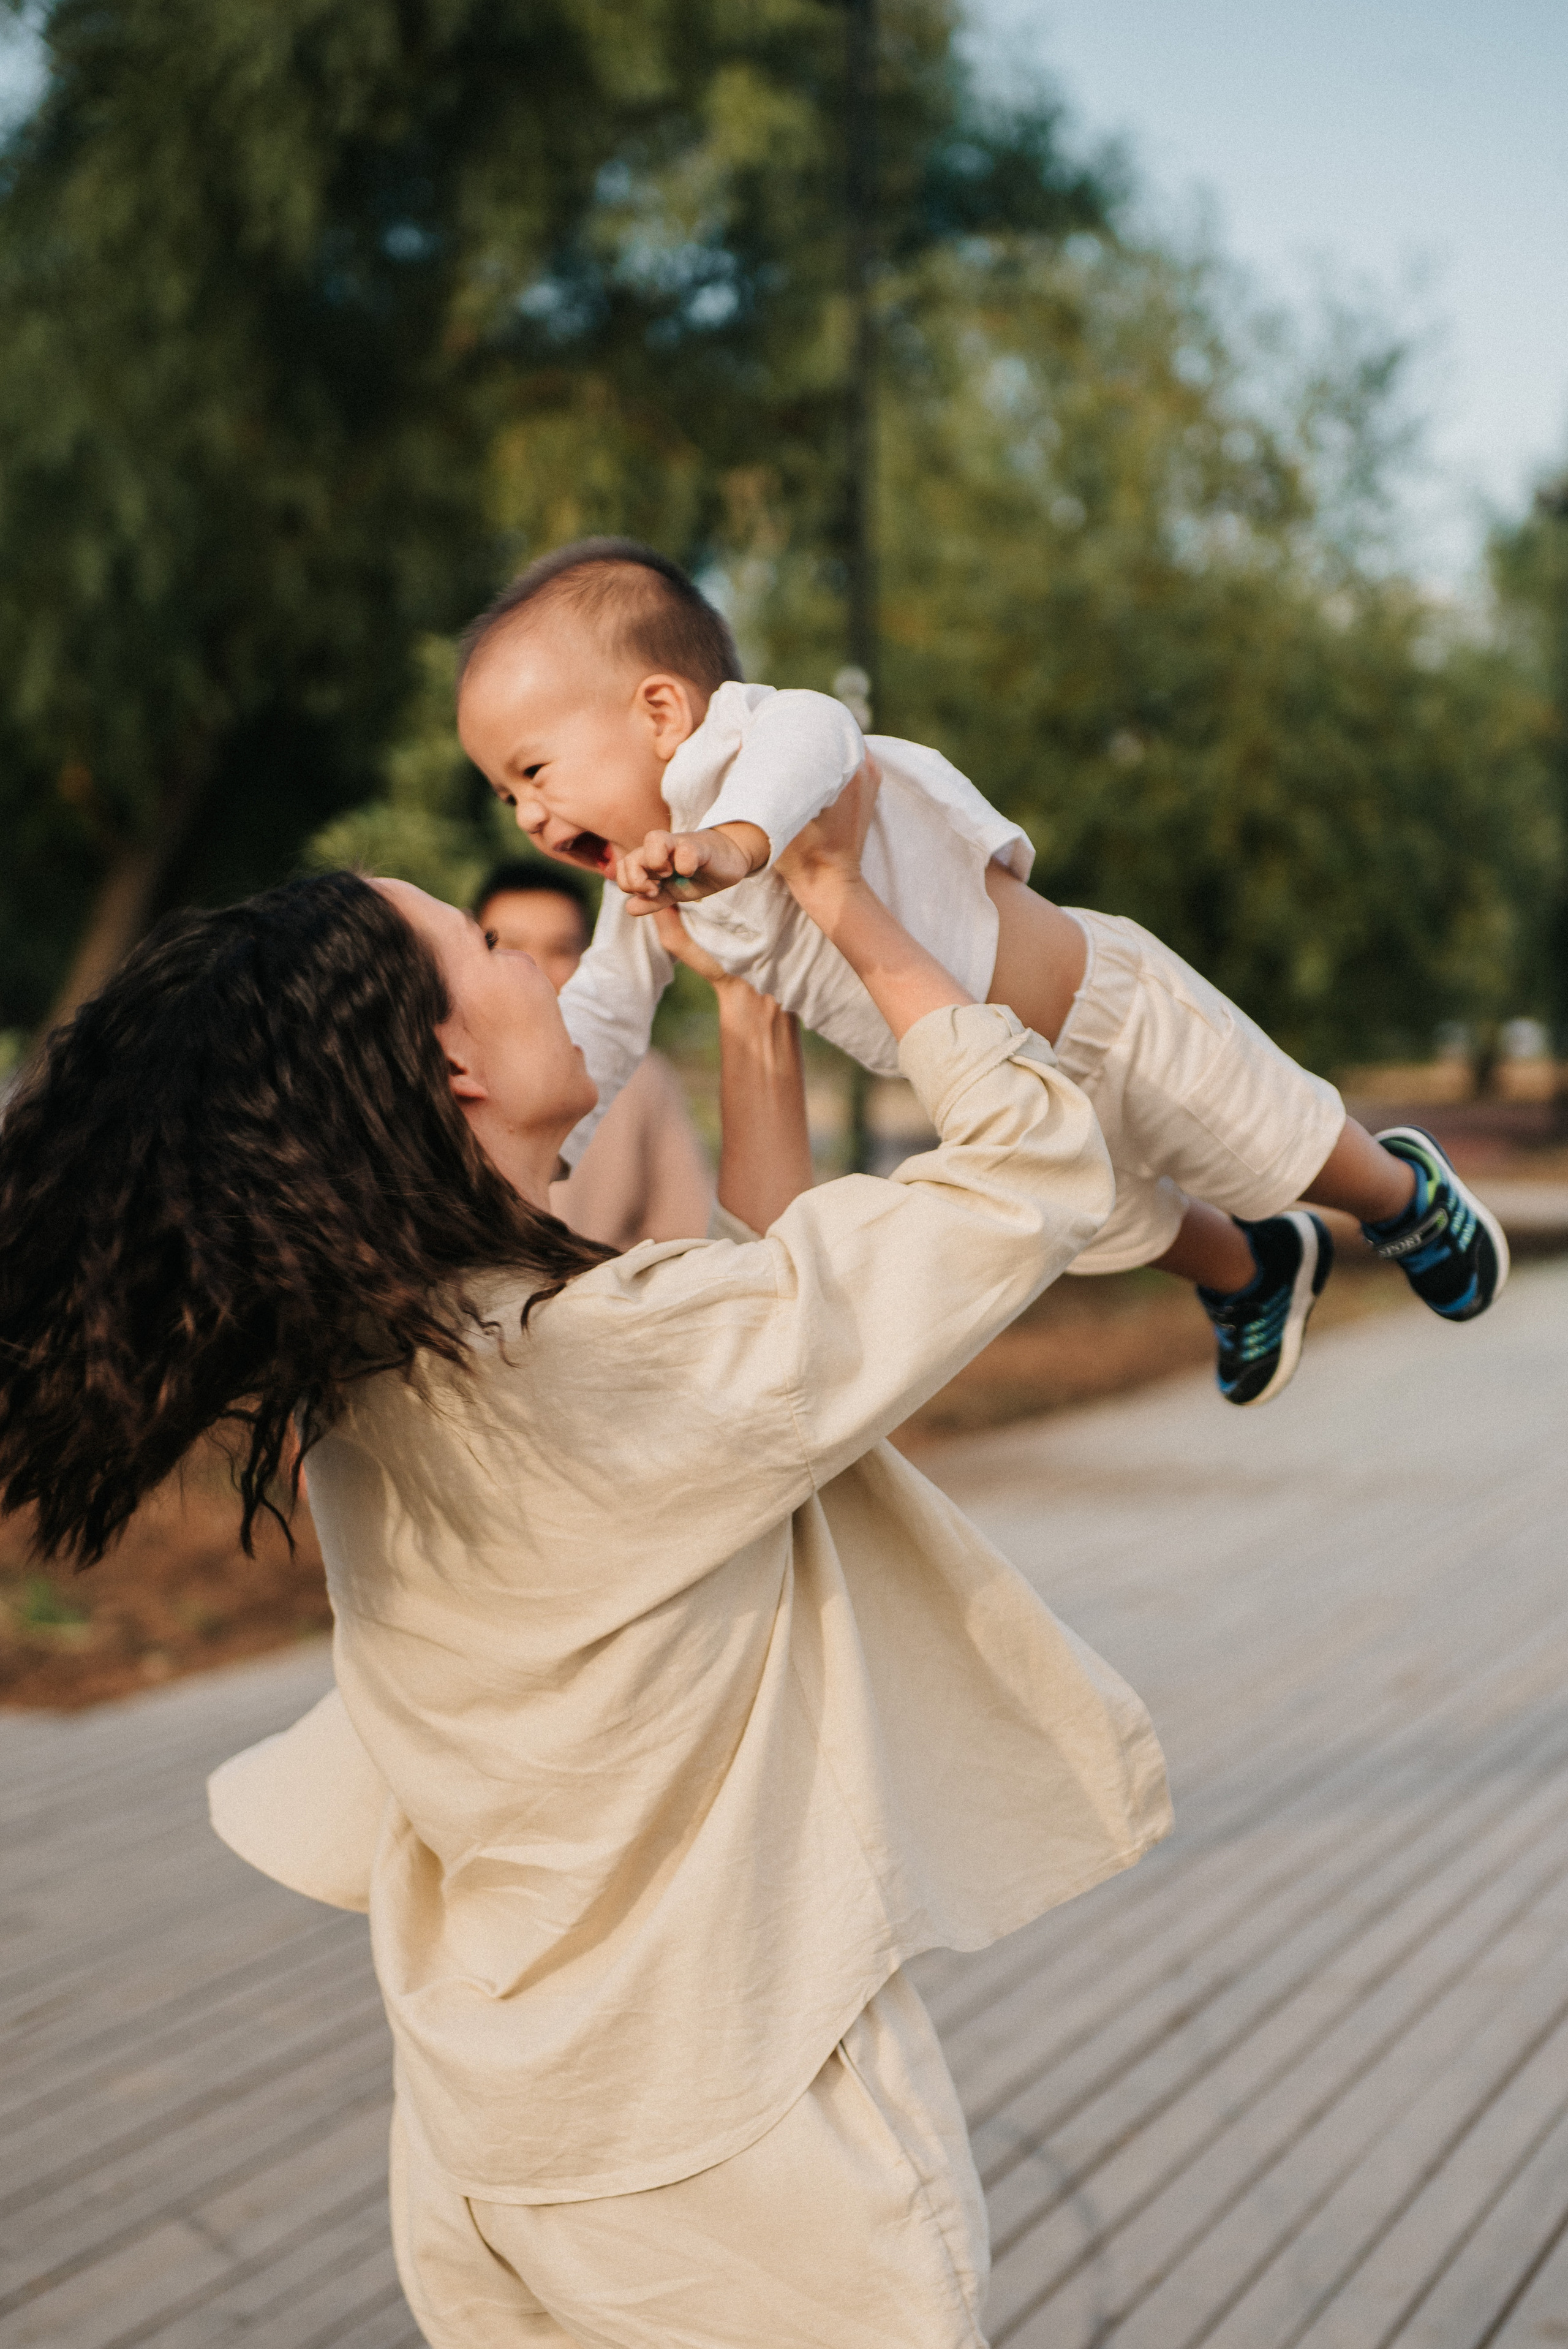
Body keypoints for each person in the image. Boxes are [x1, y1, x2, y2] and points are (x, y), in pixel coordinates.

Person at [0, 774, 1170, 2348]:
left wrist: (747, 1011)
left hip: (497, 2146)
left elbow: (741, 1351)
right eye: (487, 945)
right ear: (452, 1059)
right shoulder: (609, 1364)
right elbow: (1026, 1174)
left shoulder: (390, 1378)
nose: (533, 958)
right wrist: (844, 901)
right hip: (726, 2167)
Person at [456, 537, 1510, 1410]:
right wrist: (540, 1152)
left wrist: (738, 839)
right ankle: (1256, 1269)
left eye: (535, 771)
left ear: (660, 712)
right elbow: (602, 1009)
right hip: (991, 1081)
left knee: (1274, 1137)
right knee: (1102, 1221)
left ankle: (1404, 1197)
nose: (532, 816)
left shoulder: (743, 754)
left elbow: (821, 728)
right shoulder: (642, 887)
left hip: (1104, 1009)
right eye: (507, 797)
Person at [473, 858, 712, 1249]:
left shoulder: (641, 1078)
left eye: (561, 949)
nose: (534, 967)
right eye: (509, 947)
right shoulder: (437, 1072)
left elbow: (683, 1233)